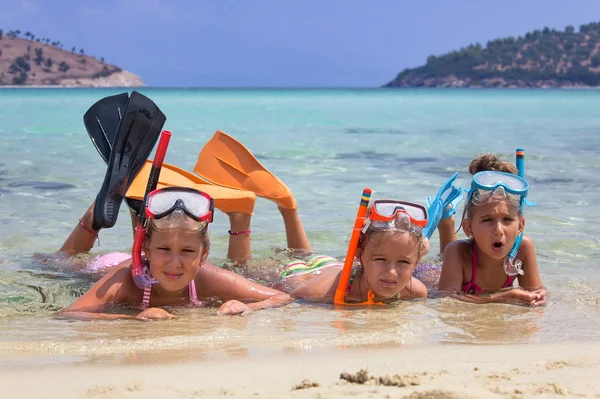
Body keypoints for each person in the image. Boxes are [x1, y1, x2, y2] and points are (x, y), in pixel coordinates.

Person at [193, 131, 430, 304]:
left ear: (415, 263)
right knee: (242, 273)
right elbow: (285, 299)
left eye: (403, 262)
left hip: (328, 263)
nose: (391, 272)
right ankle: (240, 218)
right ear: (358, 254)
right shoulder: (321, 292)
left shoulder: (415, 291)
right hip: (303, 275)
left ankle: (288, 208)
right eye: (380, 259)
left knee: (305, 255)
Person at [437, 154, 547, 306]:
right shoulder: (458, 252)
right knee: (439, 263)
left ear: (520, 226)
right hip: (437, 274)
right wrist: (501, 298)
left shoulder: (523, 248)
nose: (498, 230)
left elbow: (534, 291)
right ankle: (446, 223)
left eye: (507, 219)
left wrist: (539, 295)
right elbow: (446, 299)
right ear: (468, 228)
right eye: (488, 220)